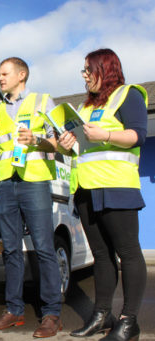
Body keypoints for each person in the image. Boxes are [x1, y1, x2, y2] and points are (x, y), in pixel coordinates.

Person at [58, 48, 147, 341]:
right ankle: (102, 315)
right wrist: (66, 141)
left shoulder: (127, 95)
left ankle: (129, 321)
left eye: (88, 70)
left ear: (104, 68)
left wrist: (105, 134)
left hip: (117, 186)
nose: (84, 76)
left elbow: (137, 134)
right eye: (83, 71)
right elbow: (81, 148)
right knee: (101, 256)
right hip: (86, 189)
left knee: (129, 254)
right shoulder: (83, 108)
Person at [0, 57, 63, 338]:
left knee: (43, 247)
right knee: (10, 249)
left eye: (5, 73)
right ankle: (14, 310)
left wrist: (38, 141)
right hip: (6, 182)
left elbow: (60, 142)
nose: (0, 78)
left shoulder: (44, 102)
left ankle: (52, 314)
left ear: (22, 74)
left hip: (34, 181)